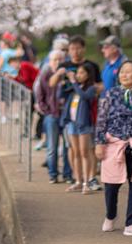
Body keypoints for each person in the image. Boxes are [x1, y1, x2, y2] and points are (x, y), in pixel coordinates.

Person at [95, 60, 132, 237]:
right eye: (122, 72)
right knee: (111, 185)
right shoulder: (110, 94)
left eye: (129, 72)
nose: (124, 75)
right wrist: (99, 143)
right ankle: (110, 215)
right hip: (115, 145)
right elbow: (101, 120)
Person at [52, 36, 102, 191]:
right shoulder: (64, 65)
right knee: (72, 150)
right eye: (72, 48)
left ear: (83, 48)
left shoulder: (91, 66)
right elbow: (53, 84)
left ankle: (90, 179)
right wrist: (59, 74)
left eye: (78, 48)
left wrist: (87, 88)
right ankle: (77, 179)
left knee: (88, 149)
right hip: (70, 113)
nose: (75, 51)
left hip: (85, 113)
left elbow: (100, 86)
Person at [35, 49, 73, 184]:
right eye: (54, 59)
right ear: (50, 62)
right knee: (52, 147)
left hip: (67, 115)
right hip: (52, 114)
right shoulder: (45, 74)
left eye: (60, 59)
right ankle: (53, 174)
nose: (57, 62)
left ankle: (68, 174)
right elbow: (40, 95)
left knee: (68, 146)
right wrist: (47, 110)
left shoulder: (69, 74)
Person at [61, 63, 98, 193]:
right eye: (78, 73)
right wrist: (66, 81)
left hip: (84, 124)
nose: (78, 75)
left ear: (88, 75)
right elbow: (62, 94)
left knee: (84, 153)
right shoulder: (73, 88)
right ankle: (78, 181)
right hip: (72, 123)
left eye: (82, 73)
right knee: (75, 152)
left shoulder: (91, 88)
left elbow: (84, 96)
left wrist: (73, 82)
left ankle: (86, 183)